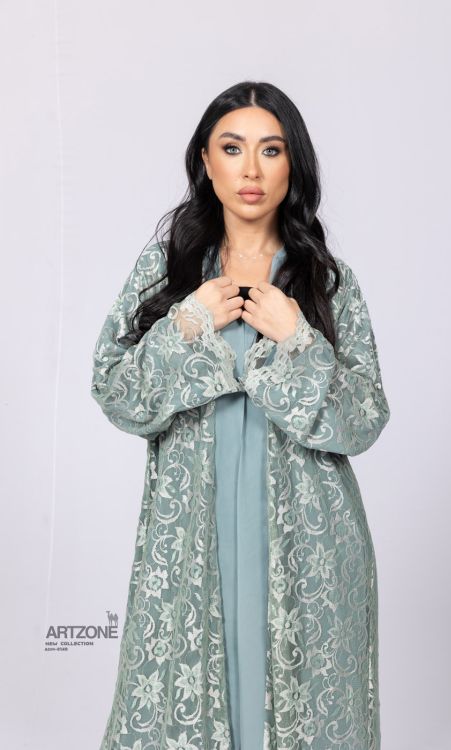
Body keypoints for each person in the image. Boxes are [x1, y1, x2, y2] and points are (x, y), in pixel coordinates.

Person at [90, 80, 391, 750]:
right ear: (206, 160)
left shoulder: (326, 281)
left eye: (270, 150)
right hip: (191, 537)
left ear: (293, 164)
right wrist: (184, 326)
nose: (251, 169)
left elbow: (365, 420)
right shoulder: (169, 269)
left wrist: (299, 340)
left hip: (308, 545)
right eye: (232, 148)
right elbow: (115, 392)